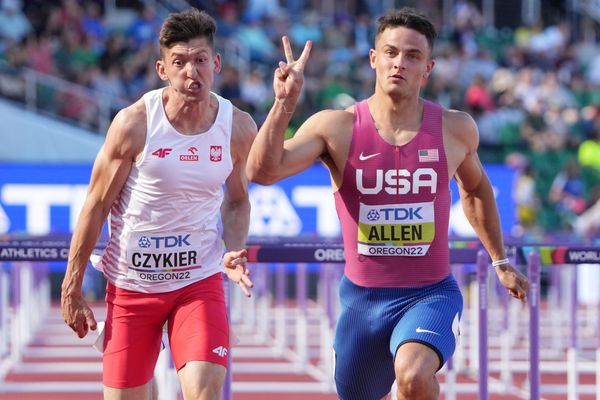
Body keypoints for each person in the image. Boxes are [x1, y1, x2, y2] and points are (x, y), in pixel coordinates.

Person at [246, 7, 529, 400]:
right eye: (391, 52)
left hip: (429, 293)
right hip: (361, 301)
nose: (400, 62)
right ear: (374, 58)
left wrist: (499, 260)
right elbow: (263, 172)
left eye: (412, 55)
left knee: (413, 376)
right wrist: (283, 105)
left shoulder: (455, 128)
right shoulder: (336, 127)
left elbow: (477, 190)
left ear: (427, 68)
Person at [60, 8, 255, 400]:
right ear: (162, 69)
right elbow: (96, 205)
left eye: (200, 60)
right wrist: (72, 285)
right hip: (132, 288)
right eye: (180, 62)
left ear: (215, 63)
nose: (191, 72)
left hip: (197, 284)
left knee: (204, 392)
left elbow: (236, 202)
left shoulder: (237, 127)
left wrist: (233, 250)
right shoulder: (134, 123)